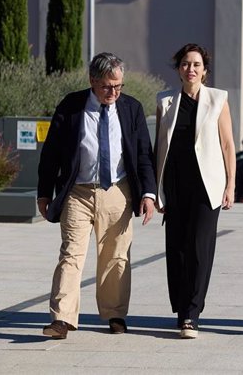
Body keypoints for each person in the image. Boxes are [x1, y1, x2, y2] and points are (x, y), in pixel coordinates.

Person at [37, 52, 157, 339]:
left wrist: (149, 193)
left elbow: (143, 155)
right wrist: (44, 192)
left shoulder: (131, 109)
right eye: (107, 86)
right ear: (92, 81)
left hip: (118, 191)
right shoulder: (71, 106)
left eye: (118, 86)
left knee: (116, 256)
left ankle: (115, 314)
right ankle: (62, 319)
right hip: (77, 193)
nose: (113, 92)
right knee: (71, 254)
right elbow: (51, 152)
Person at [154, 43, 236, 339]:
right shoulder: (165, 101)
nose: (191, 69)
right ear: (178, 69)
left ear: (205, 70)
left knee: (200, 249)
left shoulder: (218, 99)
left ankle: (192, 314)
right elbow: (158, 147)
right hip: (174, 185)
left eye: (197, 65)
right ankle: (180, 308)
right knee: (176, 249)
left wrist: (231, 184)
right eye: (186, 64)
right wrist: (156, 189)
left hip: (207, 186)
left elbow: (228, 144)